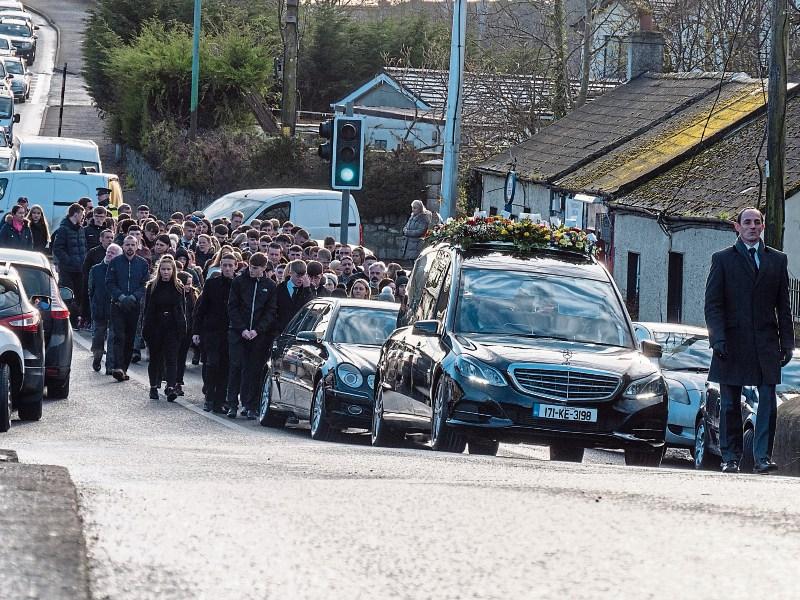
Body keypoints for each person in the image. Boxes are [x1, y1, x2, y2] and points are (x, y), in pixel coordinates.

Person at [704, 207, 794, 474]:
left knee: (767, 401)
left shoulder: (777, 260)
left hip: (765, 343)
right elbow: (713, 305)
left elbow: (784, 306)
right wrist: (717, 338)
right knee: (730, 403)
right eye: (747, 222)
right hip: (731, 343)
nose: (752, 226)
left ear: (763, 226)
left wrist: (787, 343)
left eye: (757, 222)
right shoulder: (722, 259)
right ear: (737, 227)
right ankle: (730, 457)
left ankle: (762, 458)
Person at [226, 252, 278, 418]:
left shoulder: (270, 285)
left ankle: (250, 405)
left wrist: (258, 330)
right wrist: (242, 329)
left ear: (263, 268)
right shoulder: (239, 282)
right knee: (236, 366)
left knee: (254, 369)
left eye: (255, 268)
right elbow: (232, 307)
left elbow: (270, 311)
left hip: (258, 335)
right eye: (250, 266)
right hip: (238, 332)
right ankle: (232, 403)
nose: (251, 270)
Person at [193, 253, 237, 413]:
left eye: (230, 265)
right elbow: (201, 309)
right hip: (212, 332)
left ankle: (219, 401)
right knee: (212, 364)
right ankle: (209, 397)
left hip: (231, 332)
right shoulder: (212, 284)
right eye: (224, 265)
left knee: (226, 367)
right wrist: (196, 331)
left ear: (235, 266)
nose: (227, 268)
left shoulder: (238, 285)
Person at [142, 256, 187, 401]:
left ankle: (171, 387)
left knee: (171, 358)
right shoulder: (152, 287)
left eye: (168, 269)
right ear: (159, 270)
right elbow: (147, 309)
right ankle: (153, 386)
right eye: (163, 269)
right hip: (156, 326)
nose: (166, 272)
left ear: (173, 270)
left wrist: (182, 327)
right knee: (155, 358)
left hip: (172, 327)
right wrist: (146, 329)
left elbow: (182, 309)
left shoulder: (178, 287)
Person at [106, 235, 151, 382]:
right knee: (119, 336)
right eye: (127, 245)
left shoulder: (143, 263)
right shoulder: (115, 262)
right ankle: (117, 367)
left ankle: (124, 369)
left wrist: (134, 297)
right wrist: (120, 297)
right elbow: (110, 282)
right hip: (118, 305)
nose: (130, 247)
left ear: (137, 246)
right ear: (123, 246)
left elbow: (145, 283)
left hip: (134, 306)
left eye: (133, 244)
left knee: (130, 338)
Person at [88, 243, 122, 373]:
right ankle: (97, 356)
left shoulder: (120, 271)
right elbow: (90, 290)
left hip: (115, 309)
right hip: (99, 308)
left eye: (113, 253)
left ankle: (110, 366)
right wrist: (92, 306)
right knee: (98, 336)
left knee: (113, 338)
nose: (109, 254)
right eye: (108, 252)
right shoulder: (95, 269)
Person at [52, 203, 87, 326]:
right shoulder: (63, 229)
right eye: (82, 214)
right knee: (67, 295)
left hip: (79, 269)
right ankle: (66, 321)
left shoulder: (81, 229)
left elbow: (84, 247)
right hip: (67, 269)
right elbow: (58, 248)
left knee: (79, 295)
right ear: (76, 214)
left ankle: (75, 320)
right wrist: (69, 260)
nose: (83, 217)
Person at [274, 260, 315, 336]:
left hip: (300, 332)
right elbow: (274, 310)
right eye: (298, 276)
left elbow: (311, 309)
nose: (300, 279)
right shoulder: (280, 288)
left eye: (303, 276)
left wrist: (307, 289)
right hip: (281, 331)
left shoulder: (309, 288)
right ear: (290, 273)